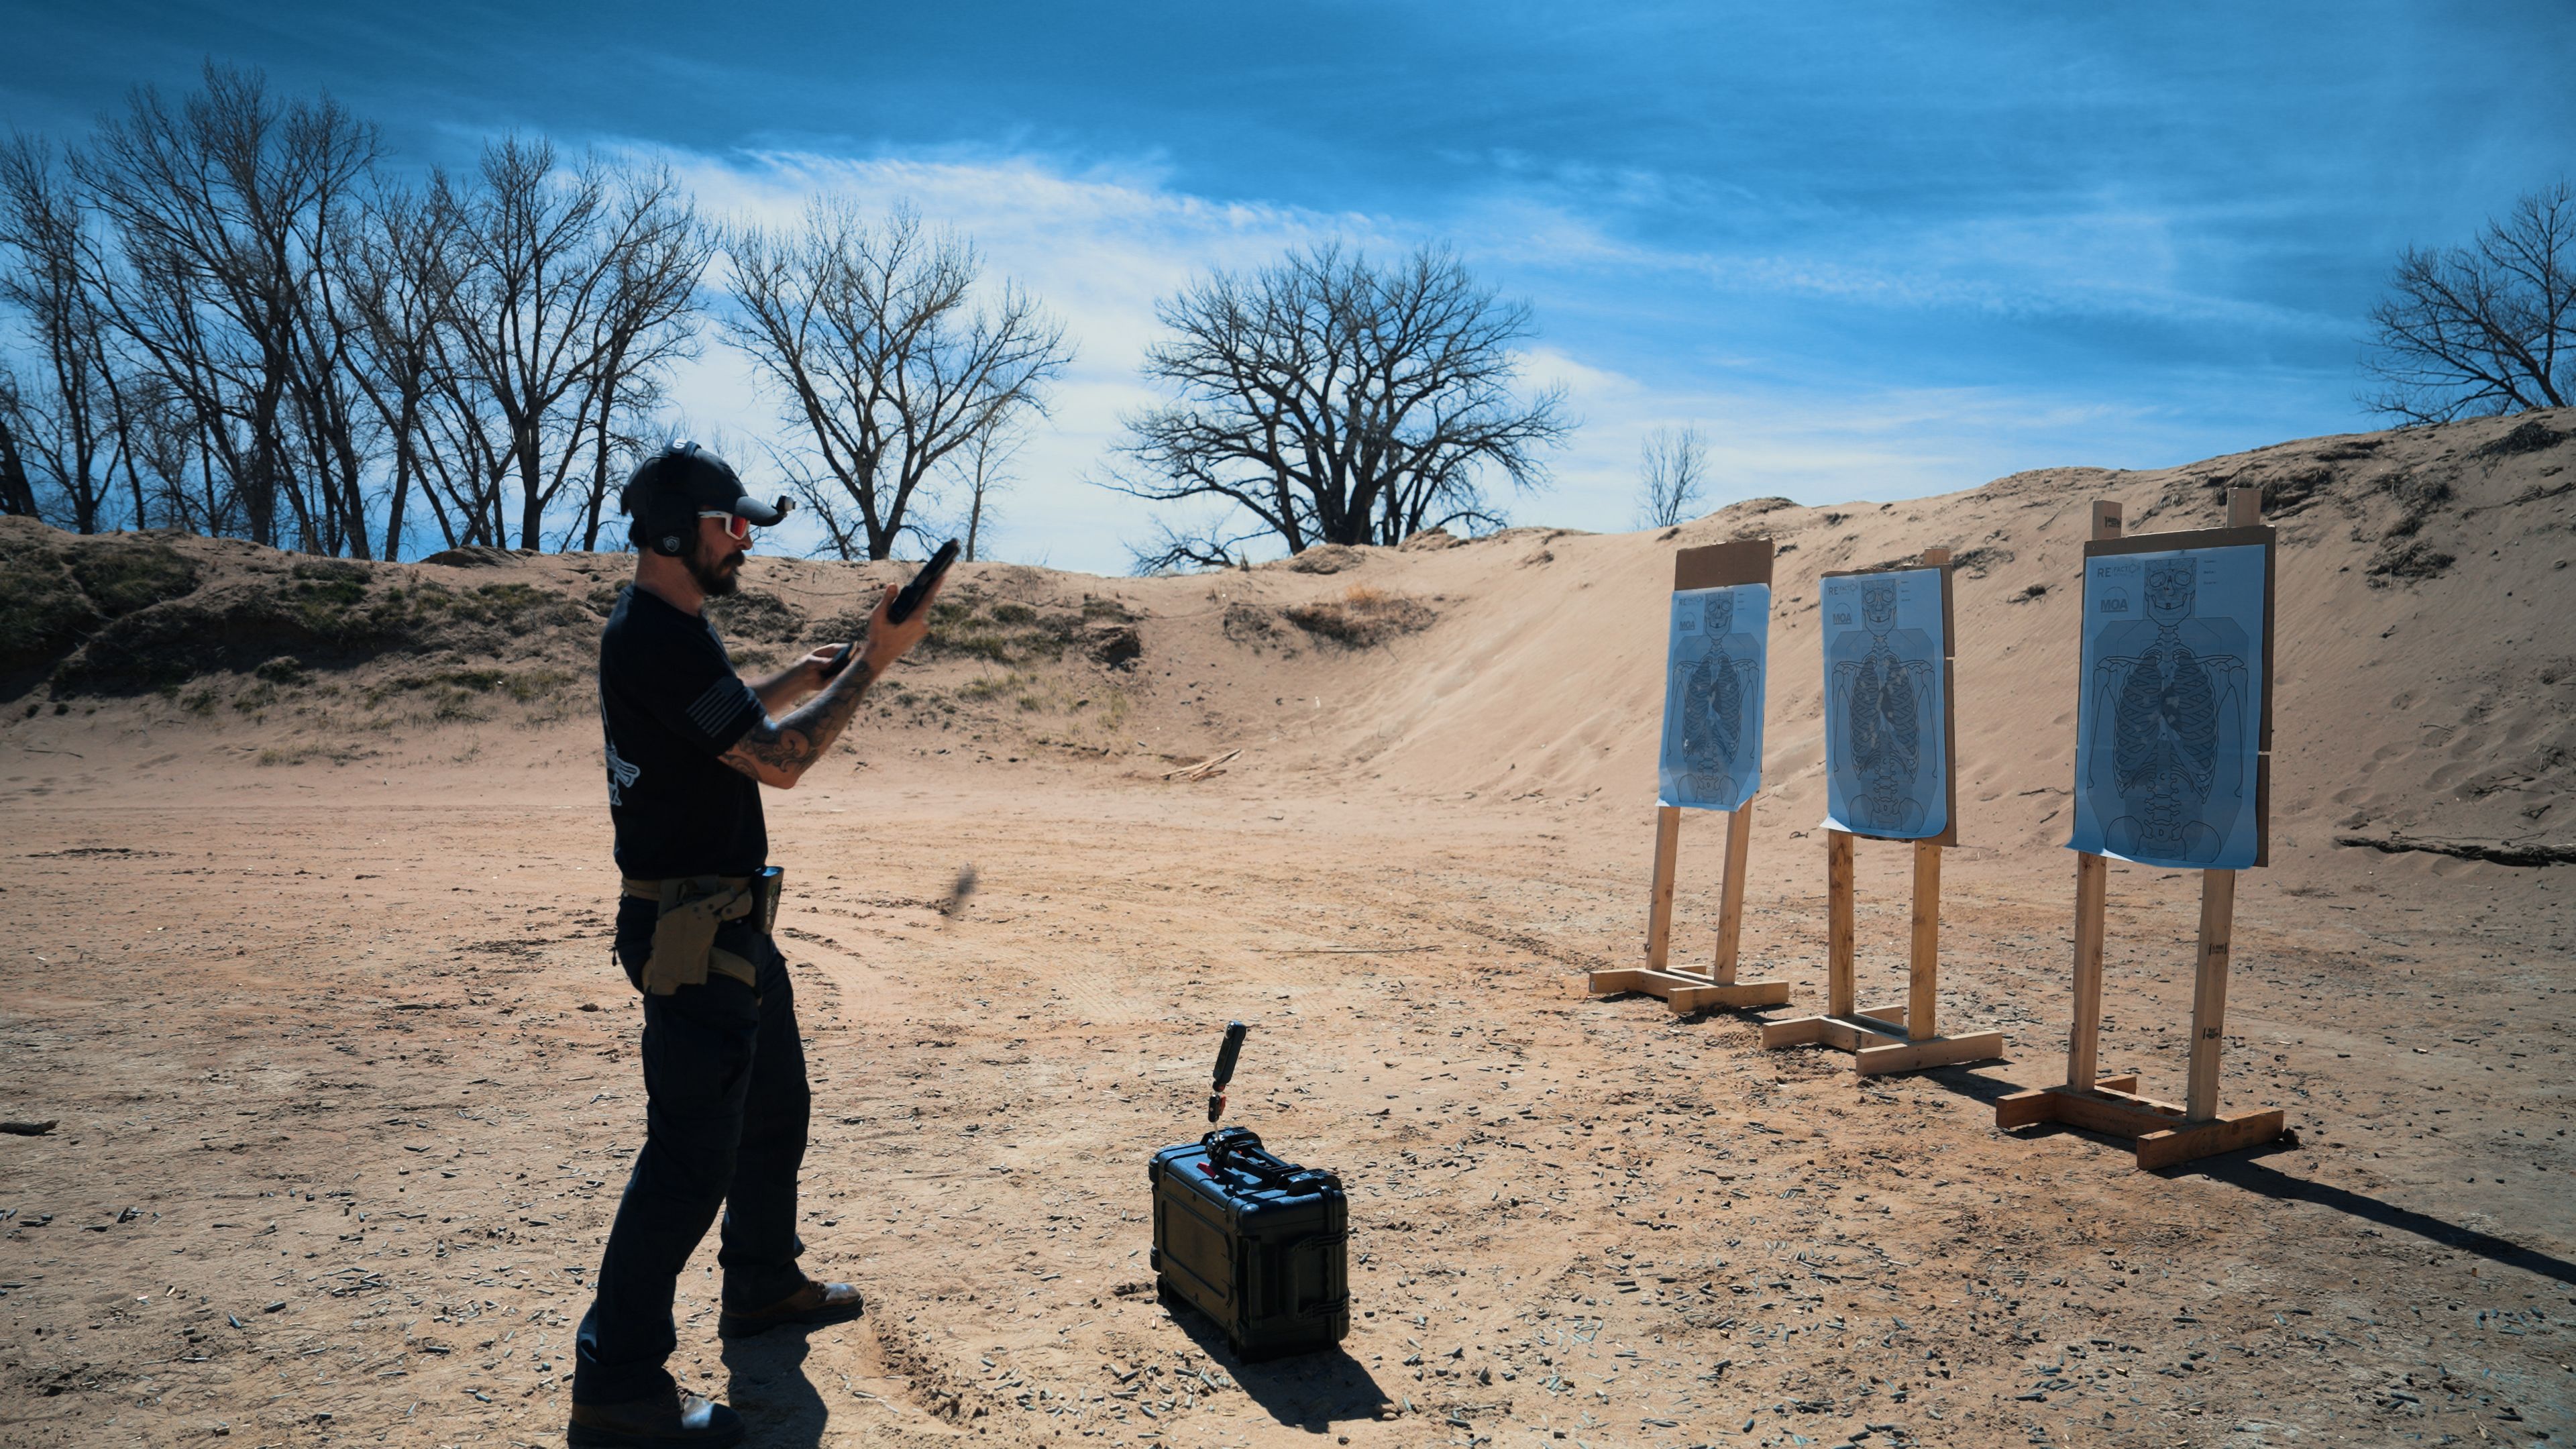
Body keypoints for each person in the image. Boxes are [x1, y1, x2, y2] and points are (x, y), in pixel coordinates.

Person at [569, 441, 942, 1447]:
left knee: (775, 1105)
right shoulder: (659, 638)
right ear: (672, 534)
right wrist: (871, 665)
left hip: (725, 921)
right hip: (692, 931)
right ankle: (616, 1386)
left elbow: (730, 724)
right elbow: (776, 763)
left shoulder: (668, 629)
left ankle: (763, 1283)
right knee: (689, 1159)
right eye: (729, 524)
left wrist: (794, 676)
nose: (743, 540)